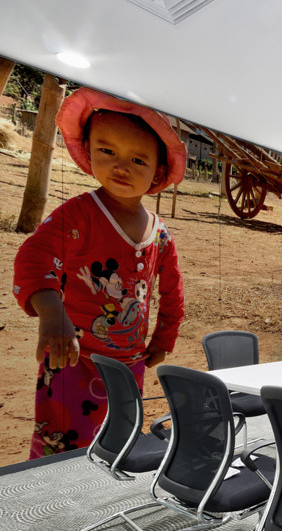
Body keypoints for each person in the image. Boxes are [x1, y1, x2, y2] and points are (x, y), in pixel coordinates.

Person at [13, 87, 187, 458]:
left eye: (137, 160)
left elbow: (172, 290)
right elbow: (34, 257)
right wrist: (51, 312)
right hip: (73, 362)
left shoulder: (160, 234)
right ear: (89, 152)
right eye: (107, 151)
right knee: (61, 448)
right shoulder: (77, 216)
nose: (121, 166)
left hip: (130, 366)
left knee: (119, 445)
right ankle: (53, 508)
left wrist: (164, 337)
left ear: (158, 171)